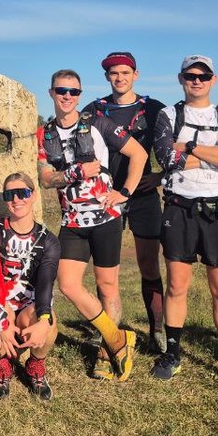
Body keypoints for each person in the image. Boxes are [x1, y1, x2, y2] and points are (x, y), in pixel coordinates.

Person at [37, 69, 149, 381]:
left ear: (80, 95)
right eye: (61, 91)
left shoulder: (99, 123)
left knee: (107, 285)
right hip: (72, 221)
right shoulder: (44, 134)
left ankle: (104, 353)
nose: (67, 97)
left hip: (106, 218)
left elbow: (138, 154)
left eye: (73, 92)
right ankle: (117, 339)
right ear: (51, 93)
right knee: (68, 285)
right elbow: (46, 179)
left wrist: (125, 192)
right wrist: (75, 173)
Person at [151, 55, 218, 381]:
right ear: (181, 78)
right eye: (190, 75)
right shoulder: (168, 115)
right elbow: (166, 158)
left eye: (203, 76)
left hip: (217, 209)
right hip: (178, 207)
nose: (197, 81)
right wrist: (215, 152)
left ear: (213, 80)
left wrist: (187, 146)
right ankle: (172, 354)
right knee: (177, 285)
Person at [88, 51, 168, 353]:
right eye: (114, 73)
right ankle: (106, 330)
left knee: (149, 263)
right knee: (106, 269)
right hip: (106, 196)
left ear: (136, 75)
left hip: (143, 195)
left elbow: (172, 150)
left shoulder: (154, 109)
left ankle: (157, 329)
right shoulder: (95, 109)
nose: (119, 78)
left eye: (125, 72)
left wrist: (160, 177)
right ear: (107, 77)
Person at [0, 173, 61, 400]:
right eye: (10, 194)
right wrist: (1, 321)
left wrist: (43, 320)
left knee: (50, 321)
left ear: (33, 195)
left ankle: (35, 365)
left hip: (28, 306)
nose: (16, 199)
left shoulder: (48, 240)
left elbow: (46, 282)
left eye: (23, 193)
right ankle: (2, 364)